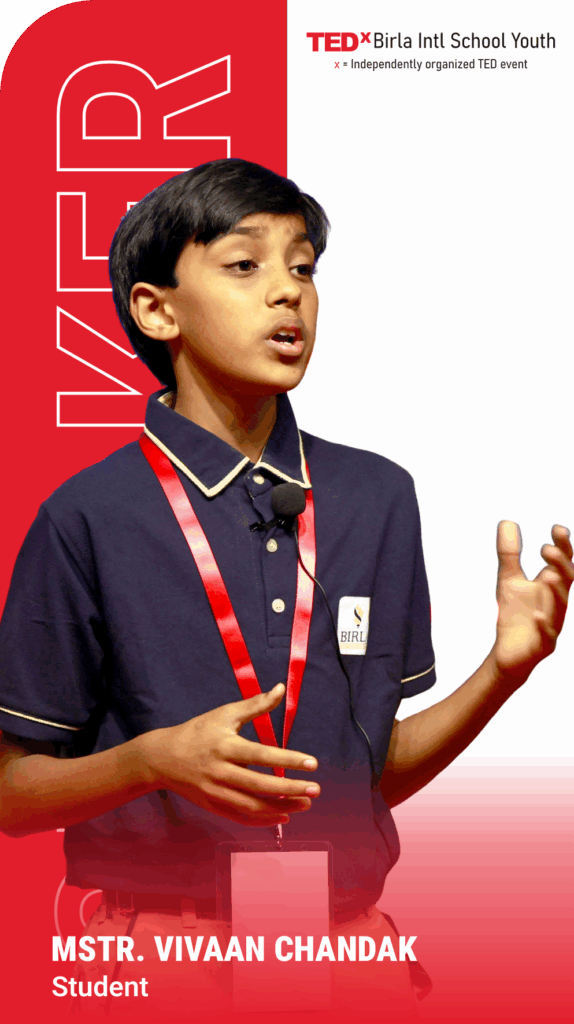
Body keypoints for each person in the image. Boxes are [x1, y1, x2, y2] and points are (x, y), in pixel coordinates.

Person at [0, 159, 572, 1021]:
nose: (288, 293)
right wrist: (151, 762)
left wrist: (504, 672)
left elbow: (365, 775)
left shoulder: (378, 496)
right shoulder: (87, 514)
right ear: (157, 310)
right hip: (160, 957)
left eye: (303, 268)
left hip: (348, 951)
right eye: (246, 264)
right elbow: (12, 797)